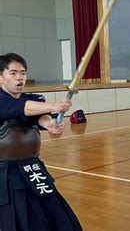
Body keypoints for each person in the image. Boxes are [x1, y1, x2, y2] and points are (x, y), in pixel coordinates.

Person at [0, 53, 82, 230]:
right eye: (13, 73)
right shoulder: (5, 102)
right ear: (0, 78)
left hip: (32, 169)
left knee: (57, 219)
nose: (19, 77)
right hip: (4, 175)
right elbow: (18, 109)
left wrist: (51, 124)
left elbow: (37, 116)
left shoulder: (33, 101)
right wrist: (53, 106)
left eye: (23, 73)